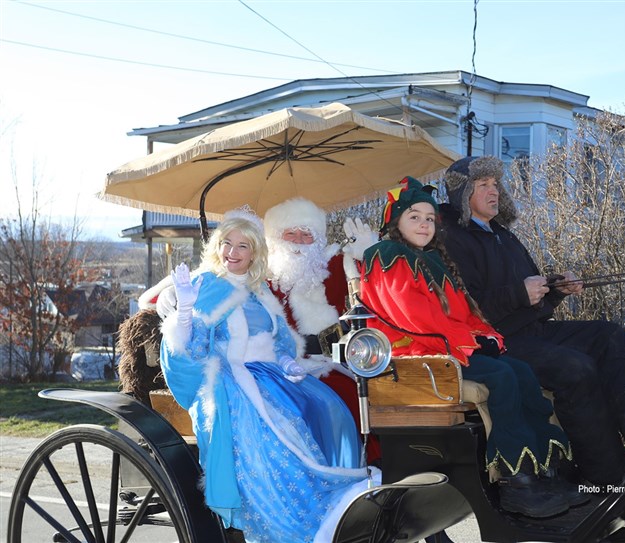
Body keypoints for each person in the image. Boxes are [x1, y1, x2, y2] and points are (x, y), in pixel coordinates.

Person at [358, 177, 588, 519]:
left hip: (447, 349)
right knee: (501, 376)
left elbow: (466, 312)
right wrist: (467, 342)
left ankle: (545, 468)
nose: (424, 224)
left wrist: (486, 334)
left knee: (521, 372)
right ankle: (515, 480)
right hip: (420, 355)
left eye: (429, 218)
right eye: (414, 217)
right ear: (395, 222)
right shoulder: (387, 255)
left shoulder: (433, 259)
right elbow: (412, 316)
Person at [159, 206, 375, 543]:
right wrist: (185, 310)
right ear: (216, 246)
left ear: (255, 253)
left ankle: (337, 500)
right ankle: (291, 521)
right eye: (227, 243)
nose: (232, 252)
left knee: (328, 407)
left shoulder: (260, 291)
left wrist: (287, 362)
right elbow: (192, 350)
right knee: (270, 435)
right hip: (232, 379)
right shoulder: (205, 284)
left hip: (269, 374)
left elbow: (279, 341)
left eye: (242, 245)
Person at [439, 155, 625, 486]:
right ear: (462, 193)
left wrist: (555, 289)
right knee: (575, 368)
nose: (494, 191)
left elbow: (531, 301)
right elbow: (467, 308)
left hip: (533, 331)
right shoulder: (451, 239)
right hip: (497, 344)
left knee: (609, 335)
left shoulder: (502, 234)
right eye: (482, 185)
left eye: (495, 184)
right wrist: (520, 293)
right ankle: (606, 476)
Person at [263, 197, 381, 464]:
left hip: (328, 364)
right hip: (276, 368)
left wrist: (370, 255)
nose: (298, 241)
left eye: (307, 234)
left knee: (346, 398)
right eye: (290, 233)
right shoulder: (259, 275)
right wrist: (172, 293)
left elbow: (371, 285)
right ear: (275, 238)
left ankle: (355, 467)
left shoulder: (334, 266)